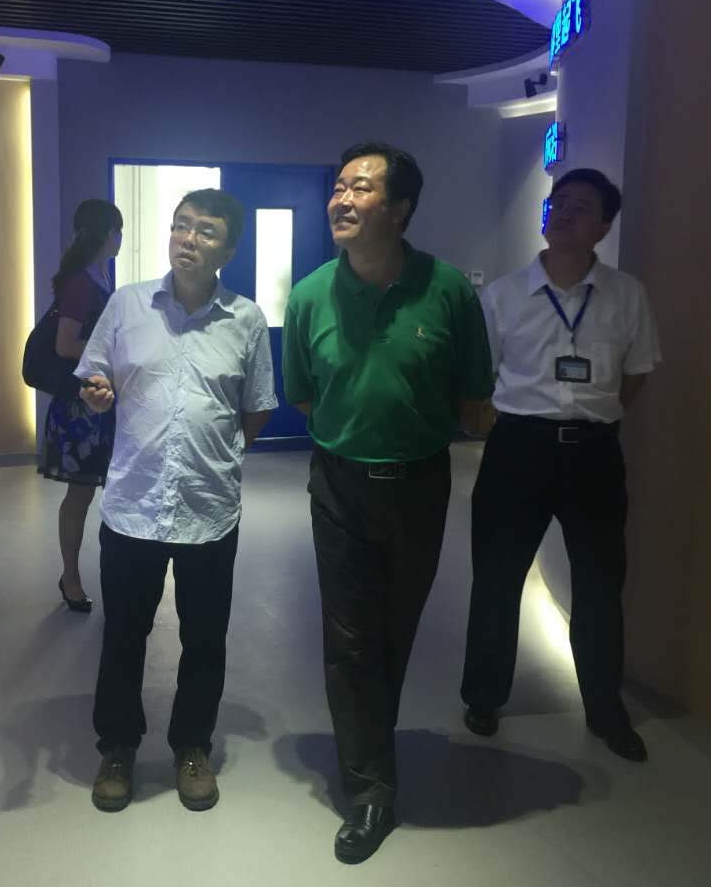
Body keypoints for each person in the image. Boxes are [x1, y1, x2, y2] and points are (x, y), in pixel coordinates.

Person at [282, 142, 494, 864]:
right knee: (349, 638)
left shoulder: (447, 291)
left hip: (420, 485)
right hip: (338, 484)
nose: (342, 199)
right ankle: (371, 787)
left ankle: (372, 744)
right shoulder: (309, 295)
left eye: (362, 188)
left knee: (394, 630)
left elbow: (472, 399)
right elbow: (305, 395)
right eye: (339, 186)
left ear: (400, 210)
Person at [76, 189, 276, 813]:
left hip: (208, 508)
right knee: (123, 635)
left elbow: (256, 410)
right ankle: (117, 746)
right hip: (133, 503)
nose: (188, 238)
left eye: (205, 231)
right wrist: (96, 393)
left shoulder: (245, 319)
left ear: (228, 251)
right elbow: (92, 374)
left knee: (205, 638)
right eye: (181, 225)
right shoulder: (127, 304)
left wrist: (212, 454)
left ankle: (192, 745)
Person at [460, 168, 660, 762]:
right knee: (497, 579)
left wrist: (593, 416)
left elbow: (636, 375)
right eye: (558, 202)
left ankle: (604, 708)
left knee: (600, 584)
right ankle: (483, 696)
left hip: (594, 454)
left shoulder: (627, 295)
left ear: (604, 226)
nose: (563, 213)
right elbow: (480, 379)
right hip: (518, 450)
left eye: (580, 207)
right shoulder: (502, 296)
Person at [37, 199, 123, 612]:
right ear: (109, 234)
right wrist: (114, 347)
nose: (120, 239)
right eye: (118, 232)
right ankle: (70, 576)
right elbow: (65, 345)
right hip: (81, 406)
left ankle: (103, 574)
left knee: (97, 492)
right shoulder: (81, 283)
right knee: (81, 493)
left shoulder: (98, 275)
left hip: (100, 400)